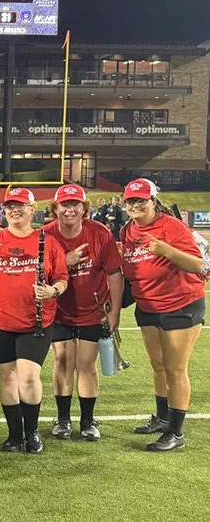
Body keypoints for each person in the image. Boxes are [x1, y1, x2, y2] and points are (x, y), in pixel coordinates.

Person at [0, 188, 69, 454]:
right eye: (9, 207)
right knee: (7, 376)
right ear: (3, 210)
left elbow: (62, 277)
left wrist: (53, 291)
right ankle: (14, 435)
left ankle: (32, 433)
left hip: (36, 321)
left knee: (28, 377)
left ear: (32, 209)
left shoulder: (47, 241)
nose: (14, 211)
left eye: (20, 206)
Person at [120, 178, 205, 451]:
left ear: (153, 201)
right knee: (158, 367)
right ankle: (162, 417)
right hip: (147, 307)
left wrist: (165, 250)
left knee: (175, 369)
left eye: (141, 200)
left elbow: (199, 265)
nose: (135, 205)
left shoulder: (173, 227)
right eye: (130, 201)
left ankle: (176, 433)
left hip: (180, 305)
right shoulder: (127, 230)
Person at [42, 184, 123, 442]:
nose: (70, 210)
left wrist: (115, 314)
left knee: (86, 364)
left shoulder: (99, 233)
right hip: (59, 310)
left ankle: (88, 420)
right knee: (63, 361)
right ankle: (63, 418)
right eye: (64, 205)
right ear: (55, 209)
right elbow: (36, 273)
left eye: (75, 204)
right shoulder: (45, 235)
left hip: (93, 311)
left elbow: (114, 274)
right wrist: (64, 260)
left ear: (84, 208)